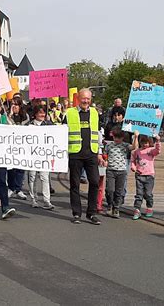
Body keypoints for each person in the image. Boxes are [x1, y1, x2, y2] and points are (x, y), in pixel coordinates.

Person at [63, 88, 103, 225]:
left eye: (88, 99)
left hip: (91, 153)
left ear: (90, 99)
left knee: (95, 182)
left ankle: (91, 213)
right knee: (75, 185)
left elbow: (98, 133)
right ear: (78, 99)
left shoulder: (95, 113)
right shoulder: (69, 113)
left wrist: (100, 153)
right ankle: (76, 213)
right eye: (83, 98)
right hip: (75, 154)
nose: (85, 101)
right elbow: (61, 133)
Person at [104, 128, 138, 218]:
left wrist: (136, 137)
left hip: (122, 171)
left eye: (119, 137)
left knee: (119, 191)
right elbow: (105, 154)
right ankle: (109, 205)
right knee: (109, 189)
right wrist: (105, 160)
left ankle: (116, 208)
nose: (116, 139)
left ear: (122, 138)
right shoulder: (109, 145)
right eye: (115, 137)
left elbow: (134, 147)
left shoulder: (125, 145)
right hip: (111, 170)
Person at [27, 106, 55, 209]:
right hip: (32, 155)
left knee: (45, 177)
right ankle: (34, 199)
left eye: (43, 113)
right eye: (40, 113)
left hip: (44, 155)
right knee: (32, 177)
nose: (42, 115)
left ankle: (47, 200)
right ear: (35, 114)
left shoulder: (48, 124)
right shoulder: (29, 125)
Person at [130, 134, 161, 220]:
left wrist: (158, 141)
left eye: (146, 142)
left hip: (149, 175)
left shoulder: (150, 150)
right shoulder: (137, 151)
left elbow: (157, 151)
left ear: (150, 142)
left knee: (148, 194)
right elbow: (133, 160)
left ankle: (149, 207)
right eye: (143, 142)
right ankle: (137, 209)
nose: (144, 144)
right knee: (139, 194)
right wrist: (133, 167)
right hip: (139, 175)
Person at [7, 97, 29, 199]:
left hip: (22, 146)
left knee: (20, 169)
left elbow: (23, 128)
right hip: (11, 146)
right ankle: (11, 188)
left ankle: (18, 189)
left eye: (16, 104)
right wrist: (10, 115)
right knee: (11, 169)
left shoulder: (25, 117)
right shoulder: (7, 116)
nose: (14, 106)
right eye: (12, 104)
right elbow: (8, 127)